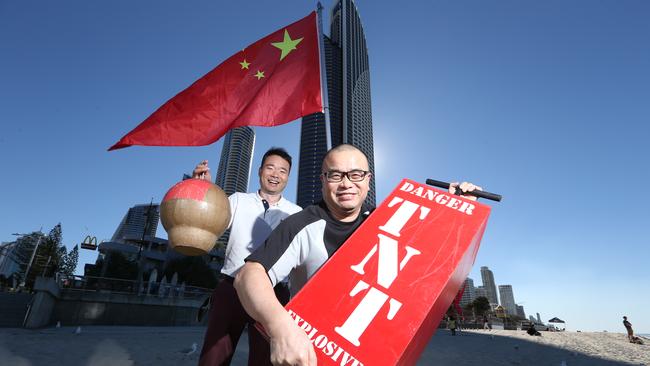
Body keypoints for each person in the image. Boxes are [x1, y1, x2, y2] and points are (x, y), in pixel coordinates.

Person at [234, 143, 482, 366]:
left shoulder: (388, 222)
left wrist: (458, 208)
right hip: (311, 351)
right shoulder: (301, 223)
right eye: (335, 175)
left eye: (356, 174)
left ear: (368, 179)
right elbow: (248, 276)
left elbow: (431, 257)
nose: (346, 184)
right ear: (323, 179)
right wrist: (281, 327)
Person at [196, 147, 302, 366]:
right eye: (270, 168)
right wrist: (204, 189)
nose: (275, 174)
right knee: (213, 357)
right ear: (260, 171)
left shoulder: (296, 213)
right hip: (232, 287)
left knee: (266, 359)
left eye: (282, 171)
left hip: (274, 293)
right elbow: (211, 219)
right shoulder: (237, 200)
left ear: (288, 177)